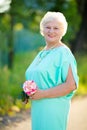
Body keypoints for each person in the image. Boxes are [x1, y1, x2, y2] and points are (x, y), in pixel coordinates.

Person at [25, 11, 79, 130]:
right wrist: (27, 93)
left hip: (53, 108)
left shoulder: (64, 53)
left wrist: (42, 94)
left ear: (62, 31)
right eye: (48, 27)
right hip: (38, 108)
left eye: (56, 28)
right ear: (42, 30)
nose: (51, 31)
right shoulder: (42, 53)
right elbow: (37, 77)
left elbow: (71, 85)